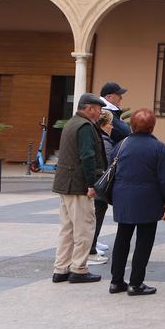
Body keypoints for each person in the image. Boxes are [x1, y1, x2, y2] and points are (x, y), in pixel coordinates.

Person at [107, 108, 165, 296]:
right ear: (152, 127)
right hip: (148, 199)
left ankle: (116, 281)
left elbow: (111, 169)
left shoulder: (121, 145)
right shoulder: (159, 148)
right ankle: (136, 283)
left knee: (122, 238)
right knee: (144, 242)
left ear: (132, 126)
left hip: (123, 197)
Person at [52, 94, 109, 285]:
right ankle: (79, 269)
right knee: (84, 228)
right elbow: (87, 157)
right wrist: (91, 184)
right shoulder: (85, 127)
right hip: (78, 185)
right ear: (89, 108)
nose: (100, 113)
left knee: (67, 229)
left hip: (66, 183)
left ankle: (61, 269)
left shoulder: (72, 123)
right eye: (98, 109)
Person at [87, 111, 115, 265]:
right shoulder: (105, 142)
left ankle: (93, 244)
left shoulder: (102, 140)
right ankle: (91, 250)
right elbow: (108, 166)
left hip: (97, 187)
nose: (112, 127)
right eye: (110, 124)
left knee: (95, 218)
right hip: (99, 187)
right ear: (104, 125)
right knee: (95, 218)